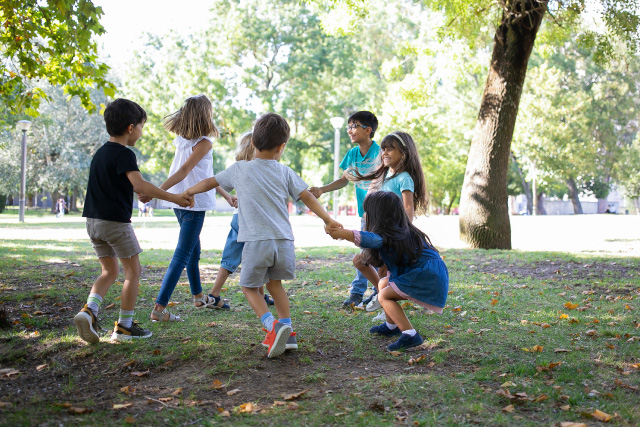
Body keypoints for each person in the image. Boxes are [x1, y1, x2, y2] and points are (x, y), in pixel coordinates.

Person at [184, 112, 342, 358]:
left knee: (248, 286)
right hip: (284, 242)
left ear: (253, 144)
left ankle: (273, 326)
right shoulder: (285, 171)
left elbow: (210, 182)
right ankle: (288, 333)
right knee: (275, 286)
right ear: (282, 147)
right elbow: (308, 196)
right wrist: (328, 219)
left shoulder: (239, 169)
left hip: (257, 242)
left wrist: (189, 191)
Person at [73, 98, 192, 344]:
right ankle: (124, 326)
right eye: (141, 126)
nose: (141, 131)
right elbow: (139, 184)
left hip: (93, 223)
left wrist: (139, 191)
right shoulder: (125, 154)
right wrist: (175, 198)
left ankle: (89, 311)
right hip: (115, 224)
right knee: (133, 272)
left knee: (109, 271)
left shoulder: (100, 154)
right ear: (130, 128)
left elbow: (121, 185)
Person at [141, 95, 236, 322]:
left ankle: (198, 296)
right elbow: (184, 171)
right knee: (183, 254)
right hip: (193, 203)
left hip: (179, 202)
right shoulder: (203, 143)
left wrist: (225, 194)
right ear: (206, 115)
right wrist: (154, 191)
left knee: (194, 250)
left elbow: (206, 175)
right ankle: (159, 308)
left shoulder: (183, 141)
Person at [327, 191, 448, 351]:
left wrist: (344, 234)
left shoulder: (388, 235)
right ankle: (391, 326)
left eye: (367, 212)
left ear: (378, 215)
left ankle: (410, 335)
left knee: (384, 295)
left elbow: (371, 239)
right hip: (427, 273)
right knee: (383, 284)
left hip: (425, 276)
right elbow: (380, 264)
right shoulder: (399, 231)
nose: (364, 215)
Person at [350, 131, 428, 316]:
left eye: (390, 149)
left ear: (404, 153)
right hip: (379, 233)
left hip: (394, 235)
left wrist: (405, 233)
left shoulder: (404, 178)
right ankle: (381, 295)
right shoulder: (385, 176)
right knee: (360, 262)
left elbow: (408, 207)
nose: (384, 152)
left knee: (384, 271)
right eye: (383, 149)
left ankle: (386, 307)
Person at [309, 111, 380, 308]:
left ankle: (362, 293)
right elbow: (343, 180)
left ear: (368, 130)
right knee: (366, 252)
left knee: (369, 253)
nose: (350, 130)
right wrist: (322, 189)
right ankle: (371, 292)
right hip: (364, 214)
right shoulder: (352, 154)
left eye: (354, 126)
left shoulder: (381, 153)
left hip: (381, 214)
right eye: (348, 126)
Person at [207, 132, 275, 312]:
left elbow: (214, 181)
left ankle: (215, 294)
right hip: (252, 220)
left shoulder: (239, 167)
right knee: (258, 256)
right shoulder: (261, 168)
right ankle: (258, 294)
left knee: (230, 258)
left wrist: (230, 197)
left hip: (238, 217)